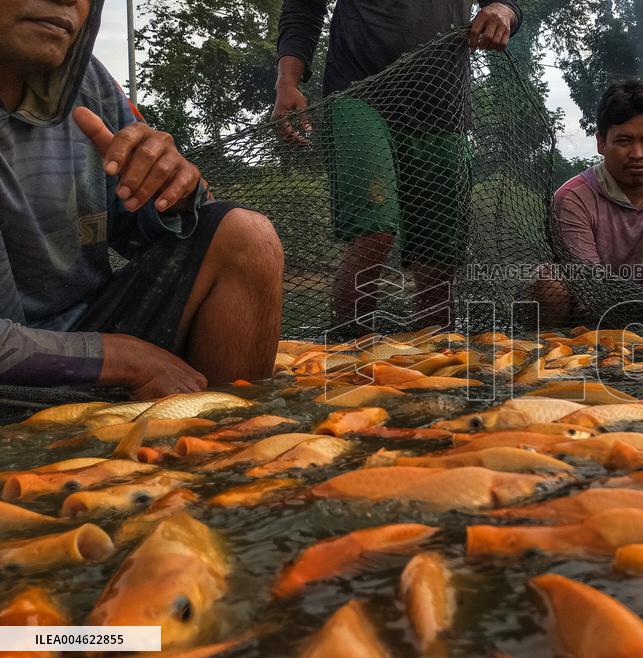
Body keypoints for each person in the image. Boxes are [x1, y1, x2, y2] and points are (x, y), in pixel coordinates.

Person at [0, 0, 284, 399]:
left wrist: (177, 192)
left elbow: (156, 230)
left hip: (88, 327)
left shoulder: (86, 83)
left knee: (245, 236)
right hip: (26, 364)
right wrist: (124, 358)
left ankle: (227, 444)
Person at [273, 0, 521, 334]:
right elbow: (304, 7)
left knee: (439, 260)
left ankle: (432, 373)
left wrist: (503, 11)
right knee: (375, 232)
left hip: (443, 107)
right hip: (359, 92)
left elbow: (507, 5)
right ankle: (346, 354)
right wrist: (287, 81)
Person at [550, 80, 643, 309]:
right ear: (601, 143)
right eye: (623, 141)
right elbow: (589, 286)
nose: (637, 154)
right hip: (579, 311)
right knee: (549, 283)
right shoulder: (572, 198)